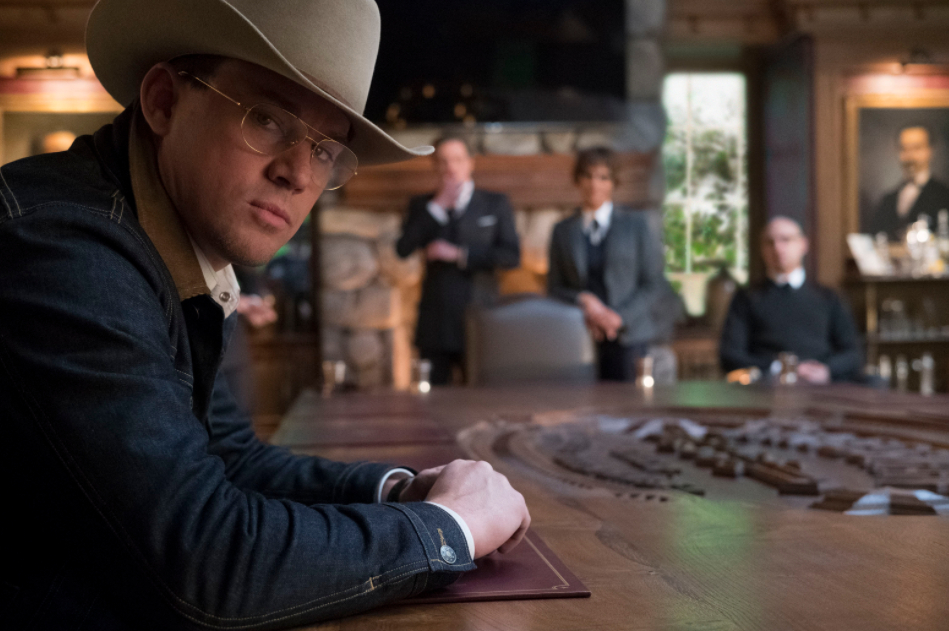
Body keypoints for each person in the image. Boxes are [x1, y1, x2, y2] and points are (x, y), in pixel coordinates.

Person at [0, 1, 530, 628]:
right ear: (164, 101)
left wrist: (397, 491)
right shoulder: (62, 250)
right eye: (268, 119)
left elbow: (232, 458)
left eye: (327, 149)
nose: (298, 173)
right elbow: (205, 561)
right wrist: (450, 527)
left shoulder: (170, 245)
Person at [396, 136, 520, 385]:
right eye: (443, 161)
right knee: (431, 399)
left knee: (483, 397)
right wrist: (438, 205)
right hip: (436, 323)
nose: (450, 167)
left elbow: (511, 256)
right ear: (435, 166)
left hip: (481, 317)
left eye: (457, 159)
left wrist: (460, 254)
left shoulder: (495, 203)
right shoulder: (422, 206)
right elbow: (403, 249)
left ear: (470, 162)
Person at [547, 147, 672, 381]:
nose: (594, 184)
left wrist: (618, 318)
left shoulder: (636, 225)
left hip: (629, 337)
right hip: (579, 337)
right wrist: (583, 299)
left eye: (603, 177)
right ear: (578, 180)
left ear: (614, 182)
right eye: (588, 176)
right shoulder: (562, 231)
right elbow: (554, 288)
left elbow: (654, 283)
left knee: (630, 402)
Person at [719, 217, 862, 383]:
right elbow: (729, 355)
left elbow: (854, 354)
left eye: (786, 240)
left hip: (821, 389)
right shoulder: (747, 298)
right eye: (770, 242)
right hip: (765, 388)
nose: (777, 248)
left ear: (803, 245)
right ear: (762, 249)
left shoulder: (829, 297)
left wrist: (826, 370)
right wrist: (780, 368)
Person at [867, 124, 949, 240]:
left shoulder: (944, 196)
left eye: (917, 148)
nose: (910, 156)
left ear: (930, 151)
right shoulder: (888, 200)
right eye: (904, 149)